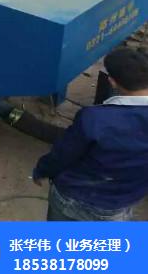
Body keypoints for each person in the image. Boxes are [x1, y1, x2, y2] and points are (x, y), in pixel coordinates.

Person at [33, 46, 148, 221]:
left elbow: (64, 154)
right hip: (121, 204)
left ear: (112, 81)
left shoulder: (96, 118)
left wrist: (42, 170)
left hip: (75, 198)